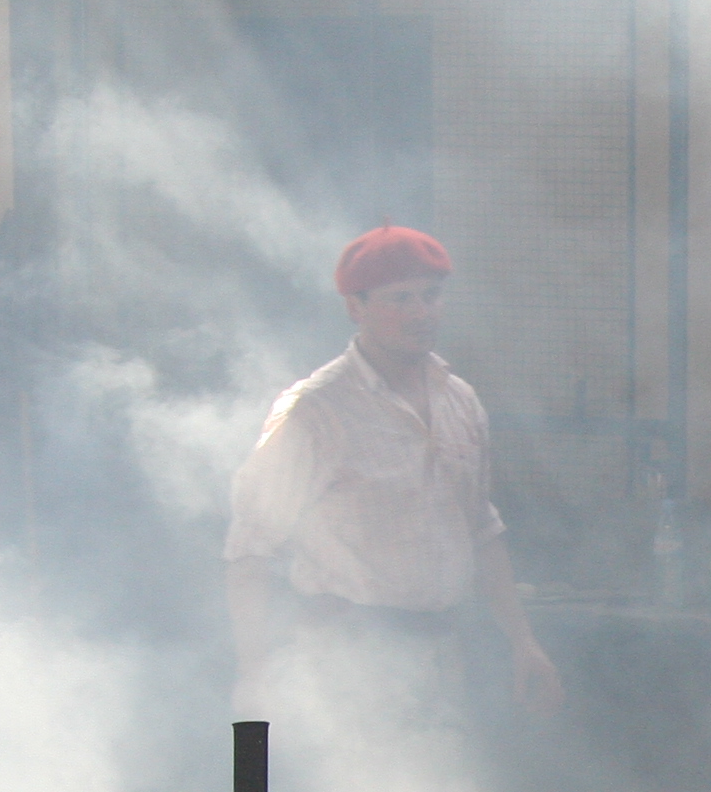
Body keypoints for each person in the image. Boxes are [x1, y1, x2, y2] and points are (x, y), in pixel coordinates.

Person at [226, 226, 563, 726]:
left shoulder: (459, 401)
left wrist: (523, 641)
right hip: (346, 659)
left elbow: (481, 531)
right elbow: (250, 550)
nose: (421, 313)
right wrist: (253, 674)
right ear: (355, 308)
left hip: (442, 654)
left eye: (431, 296)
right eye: (400, 299)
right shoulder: (315, 411)